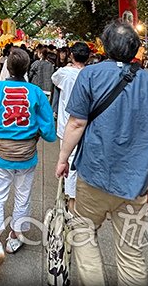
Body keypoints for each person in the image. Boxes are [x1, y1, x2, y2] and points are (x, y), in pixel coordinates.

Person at [56, 20, 148, 286]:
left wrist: (63, 158)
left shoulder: (90, 74)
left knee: (83, 233)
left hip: (94, 174)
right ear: (136, 49)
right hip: (136, 182)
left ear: (105, 46)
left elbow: (76, 123)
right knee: (131, 252)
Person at [0, 47, 57, 281]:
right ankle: (16, 236)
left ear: (7, 67)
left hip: (2, 155)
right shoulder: (37, 93)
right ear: (27, 68)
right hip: (27, 155)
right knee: (23, 194)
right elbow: (49, 131)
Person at [51, 41, 90, 211]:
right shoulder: (90, 74)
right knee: (77, 158)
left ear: (72, 56)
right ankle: (73, 193)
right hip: (85, 123)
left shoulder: (64, 72)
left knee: (67, 157)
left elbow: (54, 80)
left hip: (66, 123)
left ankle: (70, 198)